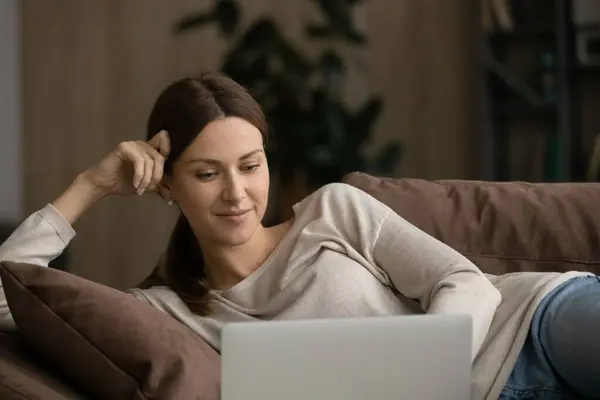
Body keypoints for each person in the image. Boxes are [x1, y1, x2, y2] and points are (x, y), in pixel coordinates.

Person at [0, 72, 598, 400]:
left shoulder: (332, 212)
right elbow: (10, 298)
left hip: (535, 322)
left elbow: (466, 283)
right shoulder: (167, 311)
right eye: (208, 174)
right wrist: (90, 185)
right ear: (167, 187)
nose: (237, 193)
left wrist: (422, 375)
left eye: (250, 165)